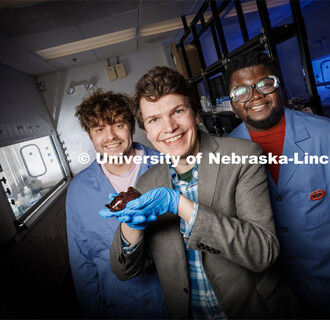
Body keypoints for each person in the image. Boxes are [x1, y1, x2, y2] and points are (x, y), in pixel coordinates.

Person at [100, 66, 300, 319]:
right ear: (147, 131)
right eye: (154, 120)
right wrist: (132, 228)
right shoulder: (147, 181)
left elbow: (263, 252)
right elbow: (124, 271)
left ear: (195, 114)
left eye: (178, 112)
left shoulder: (242, 156)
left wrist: (180, 205)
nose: (169, 127)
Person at [224, 51, 330, 316]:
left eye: (264, 84)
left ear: (278, 86)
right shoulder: (227, 153)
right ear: (232, 102)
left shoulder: (327, 133)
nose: (255, 96)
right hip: (280, 294)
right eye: (241, 91)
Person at [66, 89, 166, 319]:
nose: (110, 136)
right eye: (99, 129)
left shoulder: (166, 164)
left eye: (118, 124)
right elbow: (82, 262)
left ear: (132, 127)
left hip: (172, 300)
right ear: (91, 136)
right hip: (120, 307)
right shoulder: (78, 191)